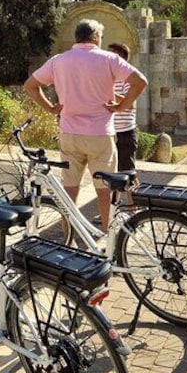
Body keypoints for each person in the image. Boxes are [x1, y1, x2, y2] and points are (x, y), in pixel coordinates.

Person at [23, 19, 147, 229]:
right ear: (96, 37)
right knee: (104, 189)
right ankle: (108, 237)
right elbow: (140, 81)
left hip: (69, 133)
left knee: (69, 188)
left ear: (77, 37)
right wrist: (120, 106)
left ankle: (68, 237)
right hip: (100, 134)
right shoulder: (109, 59)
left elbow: (30, 86)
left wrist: (51, 108)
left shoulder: (58, 61)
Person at [108, 42, 139, 206]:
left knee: (128, 172)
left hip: (126, 132)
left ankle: (133, 207)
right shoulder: (111, 78)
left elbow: (131, 103)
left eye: (112, 55)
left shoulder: (130, 78)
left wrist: (110, 93)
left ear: (120, 58)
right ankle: (113, 208)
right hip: (112, 133)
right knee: (113, 172)